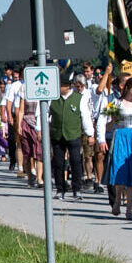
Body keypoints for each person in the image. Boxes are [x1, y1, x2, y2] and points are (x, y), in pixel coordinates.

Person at [100, 78, 132, 220]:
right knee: (120, 171)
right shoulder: (117, 103)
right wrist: (107, 129)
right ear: (127, 89)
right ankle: (117, 200)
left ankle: (129, 209)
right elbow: (106, 124)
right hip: (121, 137)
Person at [47, 72, 93, 200]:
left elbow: (85, 117)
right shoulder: (53, 98)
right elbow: (44, 114)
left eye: (60, 85)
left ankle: (77, 189)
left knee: (76, 161)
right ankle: (60, 189)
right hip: (57, 135)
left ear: (67, 86)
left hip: (73, 134)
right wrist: (40, 130)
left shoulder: (79, 98)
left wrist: (90, 134)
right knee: (58, 163)